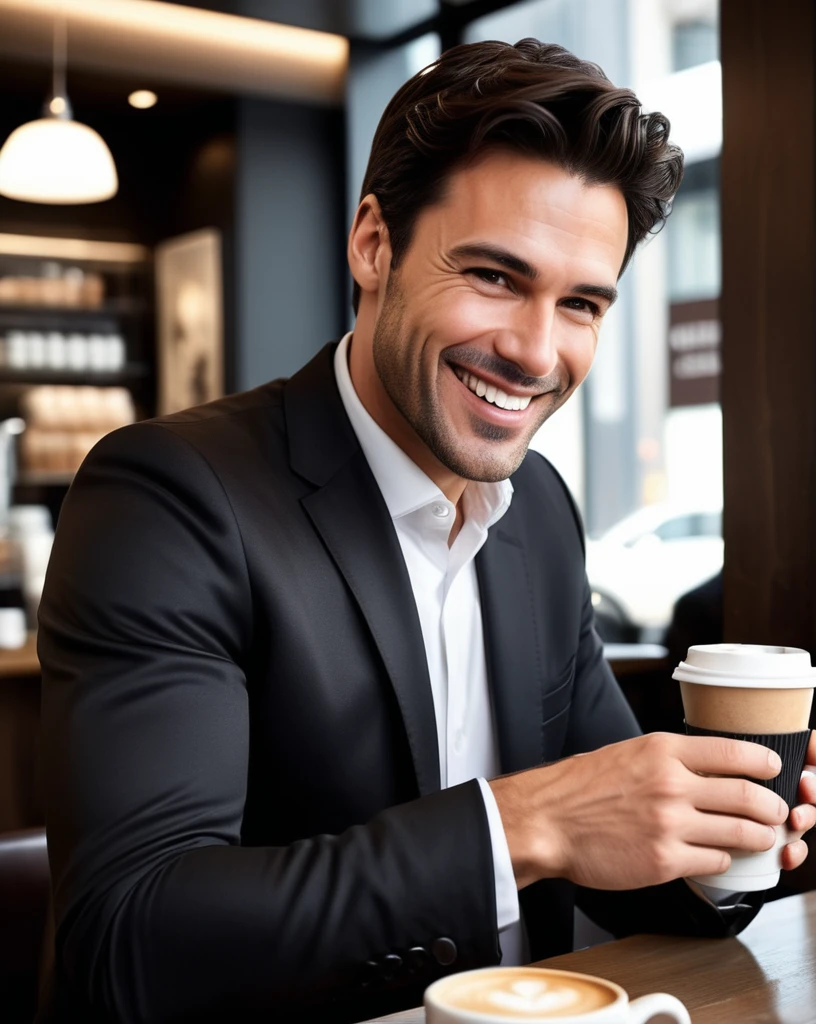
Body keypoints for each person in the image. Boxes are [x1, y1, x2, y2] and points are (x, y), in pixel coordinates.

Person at [38, 39, 816, 1023]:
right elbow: (131, 941)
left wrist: (724, 838)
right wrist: (529, 823)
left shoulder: (538, 508)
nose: (536, 351)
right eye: (495, 276)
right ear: (373, 244)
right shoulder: (170, 498)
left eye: (580, 303)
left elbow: (624, 861)